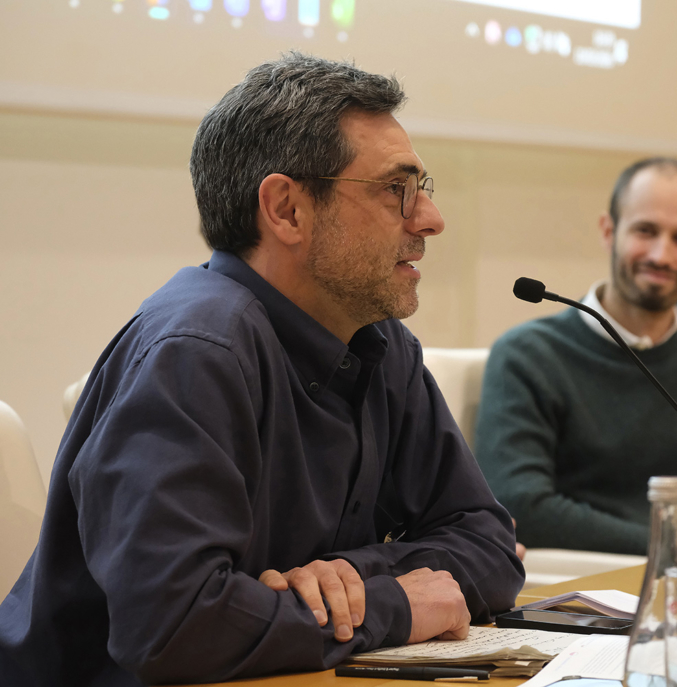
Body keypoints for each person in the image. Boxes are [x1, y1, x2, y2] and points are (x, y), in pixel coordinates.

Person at [0, 54, 523, 686]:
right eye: (396, 190)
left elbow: (489, 543)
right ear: (287, 210)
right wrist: (391, 604)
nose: (430, 219)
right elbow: (171, 627)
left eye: (422, 189)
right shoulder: (196, 351)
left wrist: (353, 578)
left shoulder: (381, 344)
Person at [475, 158, 677, 554]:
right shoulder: (527, 354)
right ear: (609, 231)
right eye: (645, 230)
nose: (661, 255)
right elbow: (521, 505)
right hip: (589, 579)